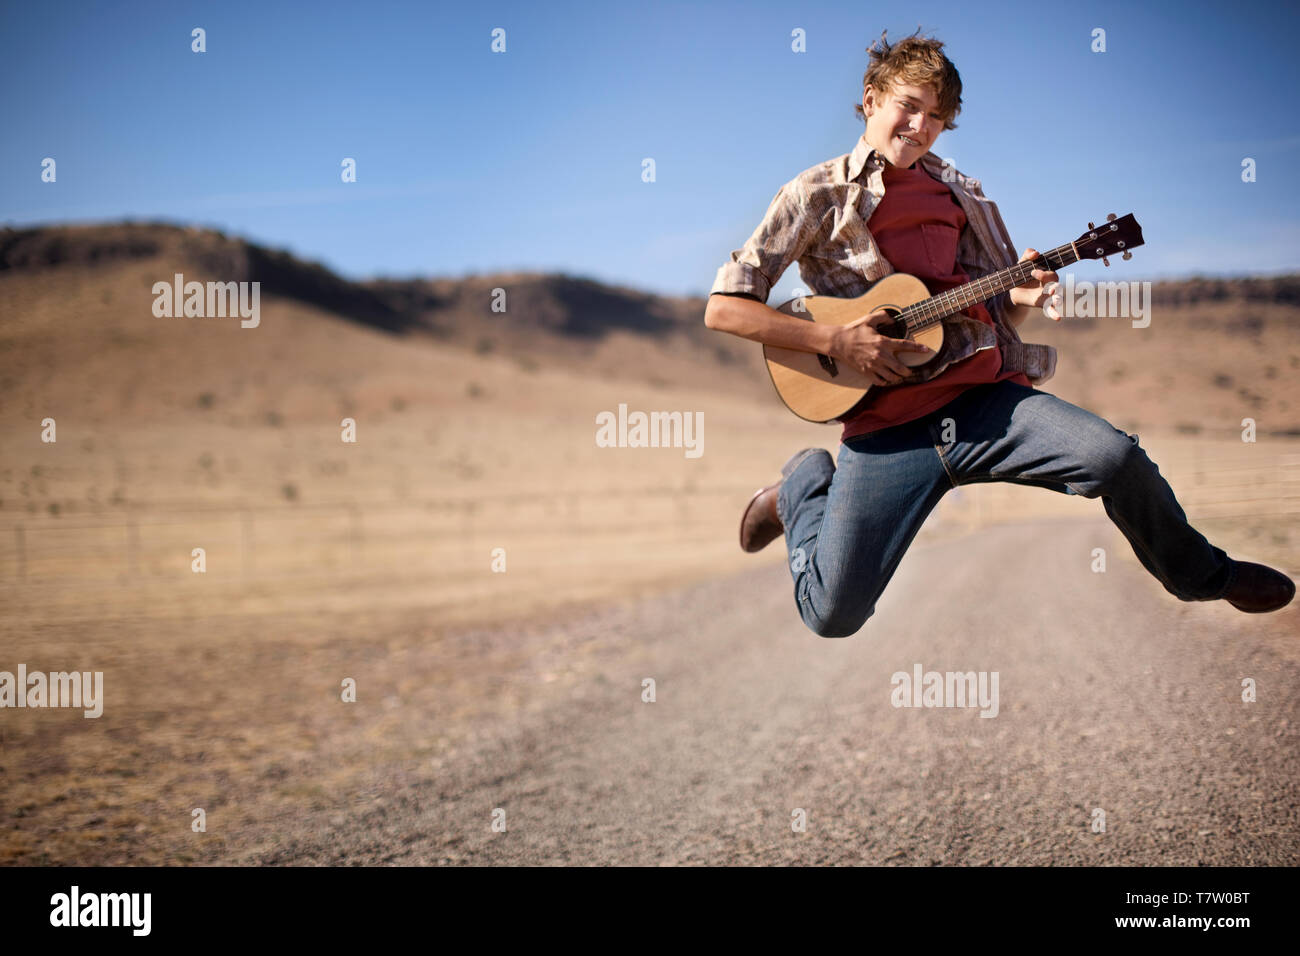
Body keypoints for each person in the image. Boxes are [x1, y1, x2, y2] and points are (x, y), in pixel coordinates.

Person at [703, 30, 1294, 637]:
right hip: (887, 432)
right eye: (909, 105)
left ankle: (1204, 576)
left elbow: (995, 317)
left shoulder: (964, 195)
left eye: (936, 117)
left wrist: (1024, 297)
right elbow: (724, 309)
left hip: (986, 407)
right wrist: (836, 342)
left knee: (1112, 456)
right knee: (832, 615)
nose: (920, 126)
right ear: (872, 95)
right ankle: (802, 485)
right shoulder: (814, 195)